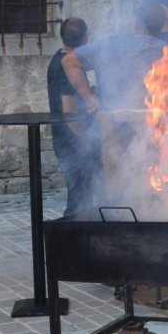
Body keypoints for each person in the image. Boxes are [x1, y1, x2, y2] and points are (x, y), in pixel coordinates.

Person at [61, 2, 168, 113]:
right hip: (150, 123)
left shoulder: (110, 45)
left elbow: (68, 61)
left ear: (137, 23)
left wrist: (89, 98)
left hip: (111, 123)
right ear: (162, 26)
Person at [46, 17, 102, 216]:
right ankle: (71, 239)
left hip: (64, 139)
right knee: (78, 201)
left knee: (82, 196)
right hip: (72, 141)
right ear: (86, 38)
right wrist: (86, 141)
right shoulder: (66, 65)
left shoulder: (57, 59)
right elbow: (69, 111)